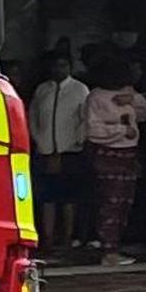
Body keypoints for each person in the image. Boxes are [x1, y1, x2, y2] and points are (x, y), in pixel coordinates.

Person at [28, 46, 93, 254]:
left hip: (70, 151)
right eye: (55, 65)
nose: (58, 69)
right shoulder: (42, 90)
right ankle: (47, 239)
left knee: (68, 197)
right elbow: (33, 117)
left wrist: (77, 141)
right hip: (45, 149)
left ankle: (68, 237)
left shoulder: (80, 89)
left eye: (63, 65)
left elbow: (85, 118)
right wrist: (40, 140)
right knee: (47, 197)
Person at [84, 55, 146, 264]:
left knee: (124, 204)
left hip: (129, 154)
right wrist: (121, 130)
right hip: (108, 154)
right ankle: (108, 249)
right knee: (110, 202)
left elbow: (144, 111)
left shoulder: (128, 93)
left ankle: (116, 244)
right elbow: (93, 129)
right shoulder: (96, 97)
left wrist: (133, 100)